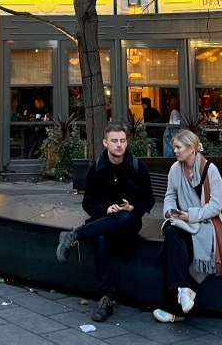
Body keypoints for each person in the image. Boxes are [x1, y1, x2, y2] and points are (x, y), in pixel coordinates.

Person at [56, 124, 155, 322]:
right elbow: (88, 203)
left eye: (122, 141)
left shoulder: (137, 166)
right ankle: (106, 298)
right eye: (114, 141)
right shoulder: (97, 169)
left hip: (129, 223)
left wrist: (132, 207)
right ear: (105, 142)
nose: (119, 145)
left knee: (125, 217)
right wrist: (105, 210)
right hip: (102, 222)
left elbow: (149, 200)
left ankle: (75, 235)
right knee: (101, 238)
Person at [153, 130, 222, 323]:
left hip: (206, 224)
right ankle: (184, 291)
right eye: (175, 148)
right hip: (184, 222)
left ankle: (174, 310)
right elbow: (170, 195)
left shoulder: (211, 170)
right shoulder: (175, 169)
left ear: (191, 149)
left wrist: (191, 216)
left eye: (179, 148)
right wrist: (170, 211)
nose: (175, 152)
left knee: (170, 247)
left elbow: (215, 206)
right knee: (171, 232)